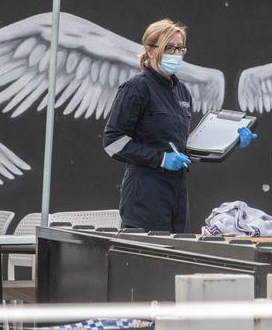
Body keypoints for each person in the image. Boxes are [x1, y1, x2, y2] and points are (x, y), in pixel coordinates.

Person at [103, 19, 257, 232]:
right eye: (169, 47)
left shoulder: (182, 92)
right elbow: (113, 141)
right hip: (144, 195)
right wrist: (162, 159)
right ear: (149, 49)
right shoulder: (136, 88)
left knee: (177, 259)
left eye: (180, 48)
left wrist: (231, 141)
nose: (176, 53)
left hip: (177, 194)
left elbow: (184, 148)